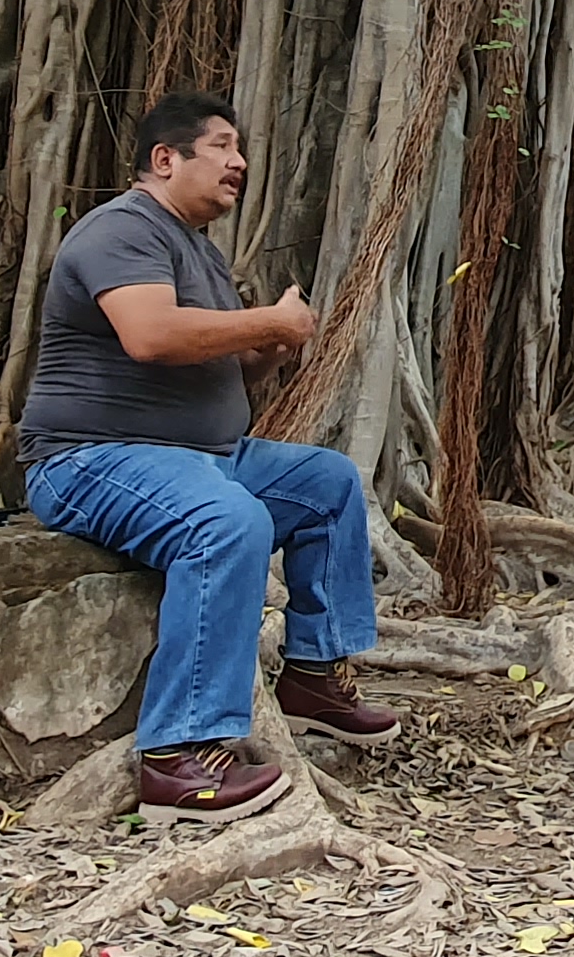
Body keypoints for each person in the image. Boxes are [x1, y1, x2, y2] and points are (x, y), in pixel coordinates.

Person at [22, 90, 404, 824]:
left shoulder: (198, 249)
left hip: (201, 456)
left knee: (327, 483)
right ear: (166, 159)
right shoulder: (122, 230)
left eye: (240, 149)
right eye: (222, 147)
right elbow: (151, 337)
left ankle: (314, 675)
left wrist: (269, 347)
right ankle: (177, 756)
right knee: (226, 523)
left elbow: (215, 365)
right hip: (91, 459)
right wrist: (268, 318)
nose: (240, 163)